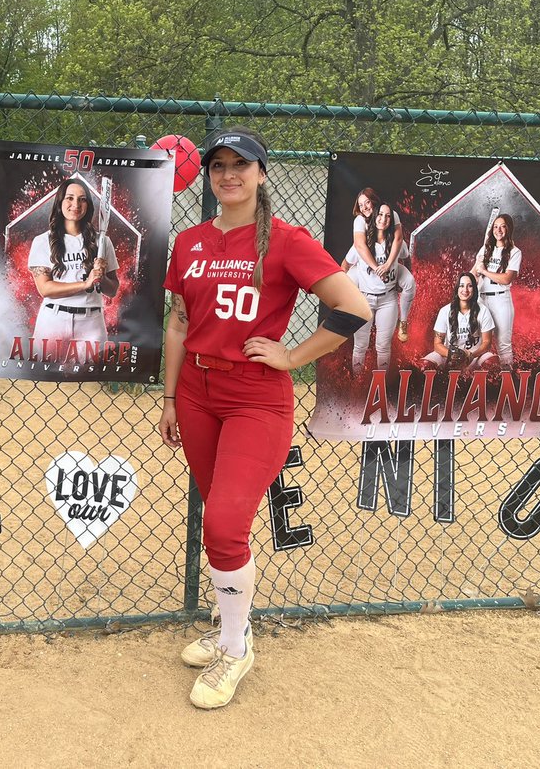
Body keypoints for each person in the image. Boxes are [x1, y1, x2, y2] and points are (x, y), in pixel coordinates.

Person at [158, 127, 369, 710]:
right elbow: (178, 322)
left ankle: (235, 647)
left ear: (261, 173)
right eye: (218, 166)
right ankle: (232, 627)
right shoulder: (189, 242)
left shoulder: (285, 240)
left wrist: (293, 356)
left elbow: (353, 307)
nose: (228, 175)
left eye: (240, 165)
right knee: (221, 523)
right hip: (196, 394)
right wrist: (171, 397)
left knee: (225, 526)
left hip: (255, 397)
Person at [28, 178, 119, 351]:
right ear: (60, 202)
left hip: (91, 322)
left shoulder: (102, 242)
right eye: (69, 198)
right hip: (53, 319)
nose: (76, 204)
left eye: (82, 199)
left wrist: (101, 278)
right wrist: (85, 284)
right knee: (45, 369)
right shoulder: (42, 241)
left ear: (88, 205)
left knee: (93, 369)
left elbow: (112, 290)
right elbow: (45, 289)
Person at [344, 202, 407, 374]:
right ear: (374, 217)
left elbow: (406, 257)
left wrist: (400, 278)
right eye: (380, 214)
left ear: (391, 220)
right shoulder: (361, 244)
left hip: (388, 299)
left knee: (383, 346)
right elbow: (345, 265)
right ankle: (358, 382)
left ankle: (381, 384)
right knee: (360, 345)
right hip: (364, 298)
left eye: (388, 216)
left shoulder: (396, 243)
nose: (383, 219)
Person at [353, 188, 415, 341]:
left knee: (409, 281)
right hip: (366, 263)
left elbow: (398, 240)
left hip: (390, 262)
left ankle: (403, 321)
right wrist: (377, 269)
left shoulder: (390, 215)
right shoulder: (360, 220)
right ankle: (339, 328)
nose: (364, 207)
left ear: (374, 201)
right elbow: (359, 246)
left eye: (367, 202)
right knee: (346, 282)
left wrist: (388, 265)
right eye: (360, 205)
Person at [420, 273, 498, 371]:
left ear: (474, 289)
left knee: (491, 362)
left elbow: (487, 342)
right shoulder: (445, 311)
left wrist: (471, 355)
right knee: (425, 365)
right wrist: (453, 354)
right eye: (461, 286)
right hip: (450, 357)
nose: (465, 290)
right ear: (457, 288)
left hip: (474, 357)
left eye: (469, 286)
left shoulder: (483, 311)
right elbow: (437, 344)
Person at [472, 213, 521, 369]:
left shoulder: (515, 251)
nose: (498, 230)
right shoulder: (485, 248)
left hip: (500, 300)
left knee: (503, 344)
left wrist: (484, 271)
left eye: (502, 226)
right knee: (476, 341)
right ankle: (476, 377)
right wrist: (470, 278)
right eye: (495, 226)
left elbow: (507, 279)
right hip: (480, 299)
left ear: (509, 229)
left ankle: (507, 378)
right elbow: (473, 274)